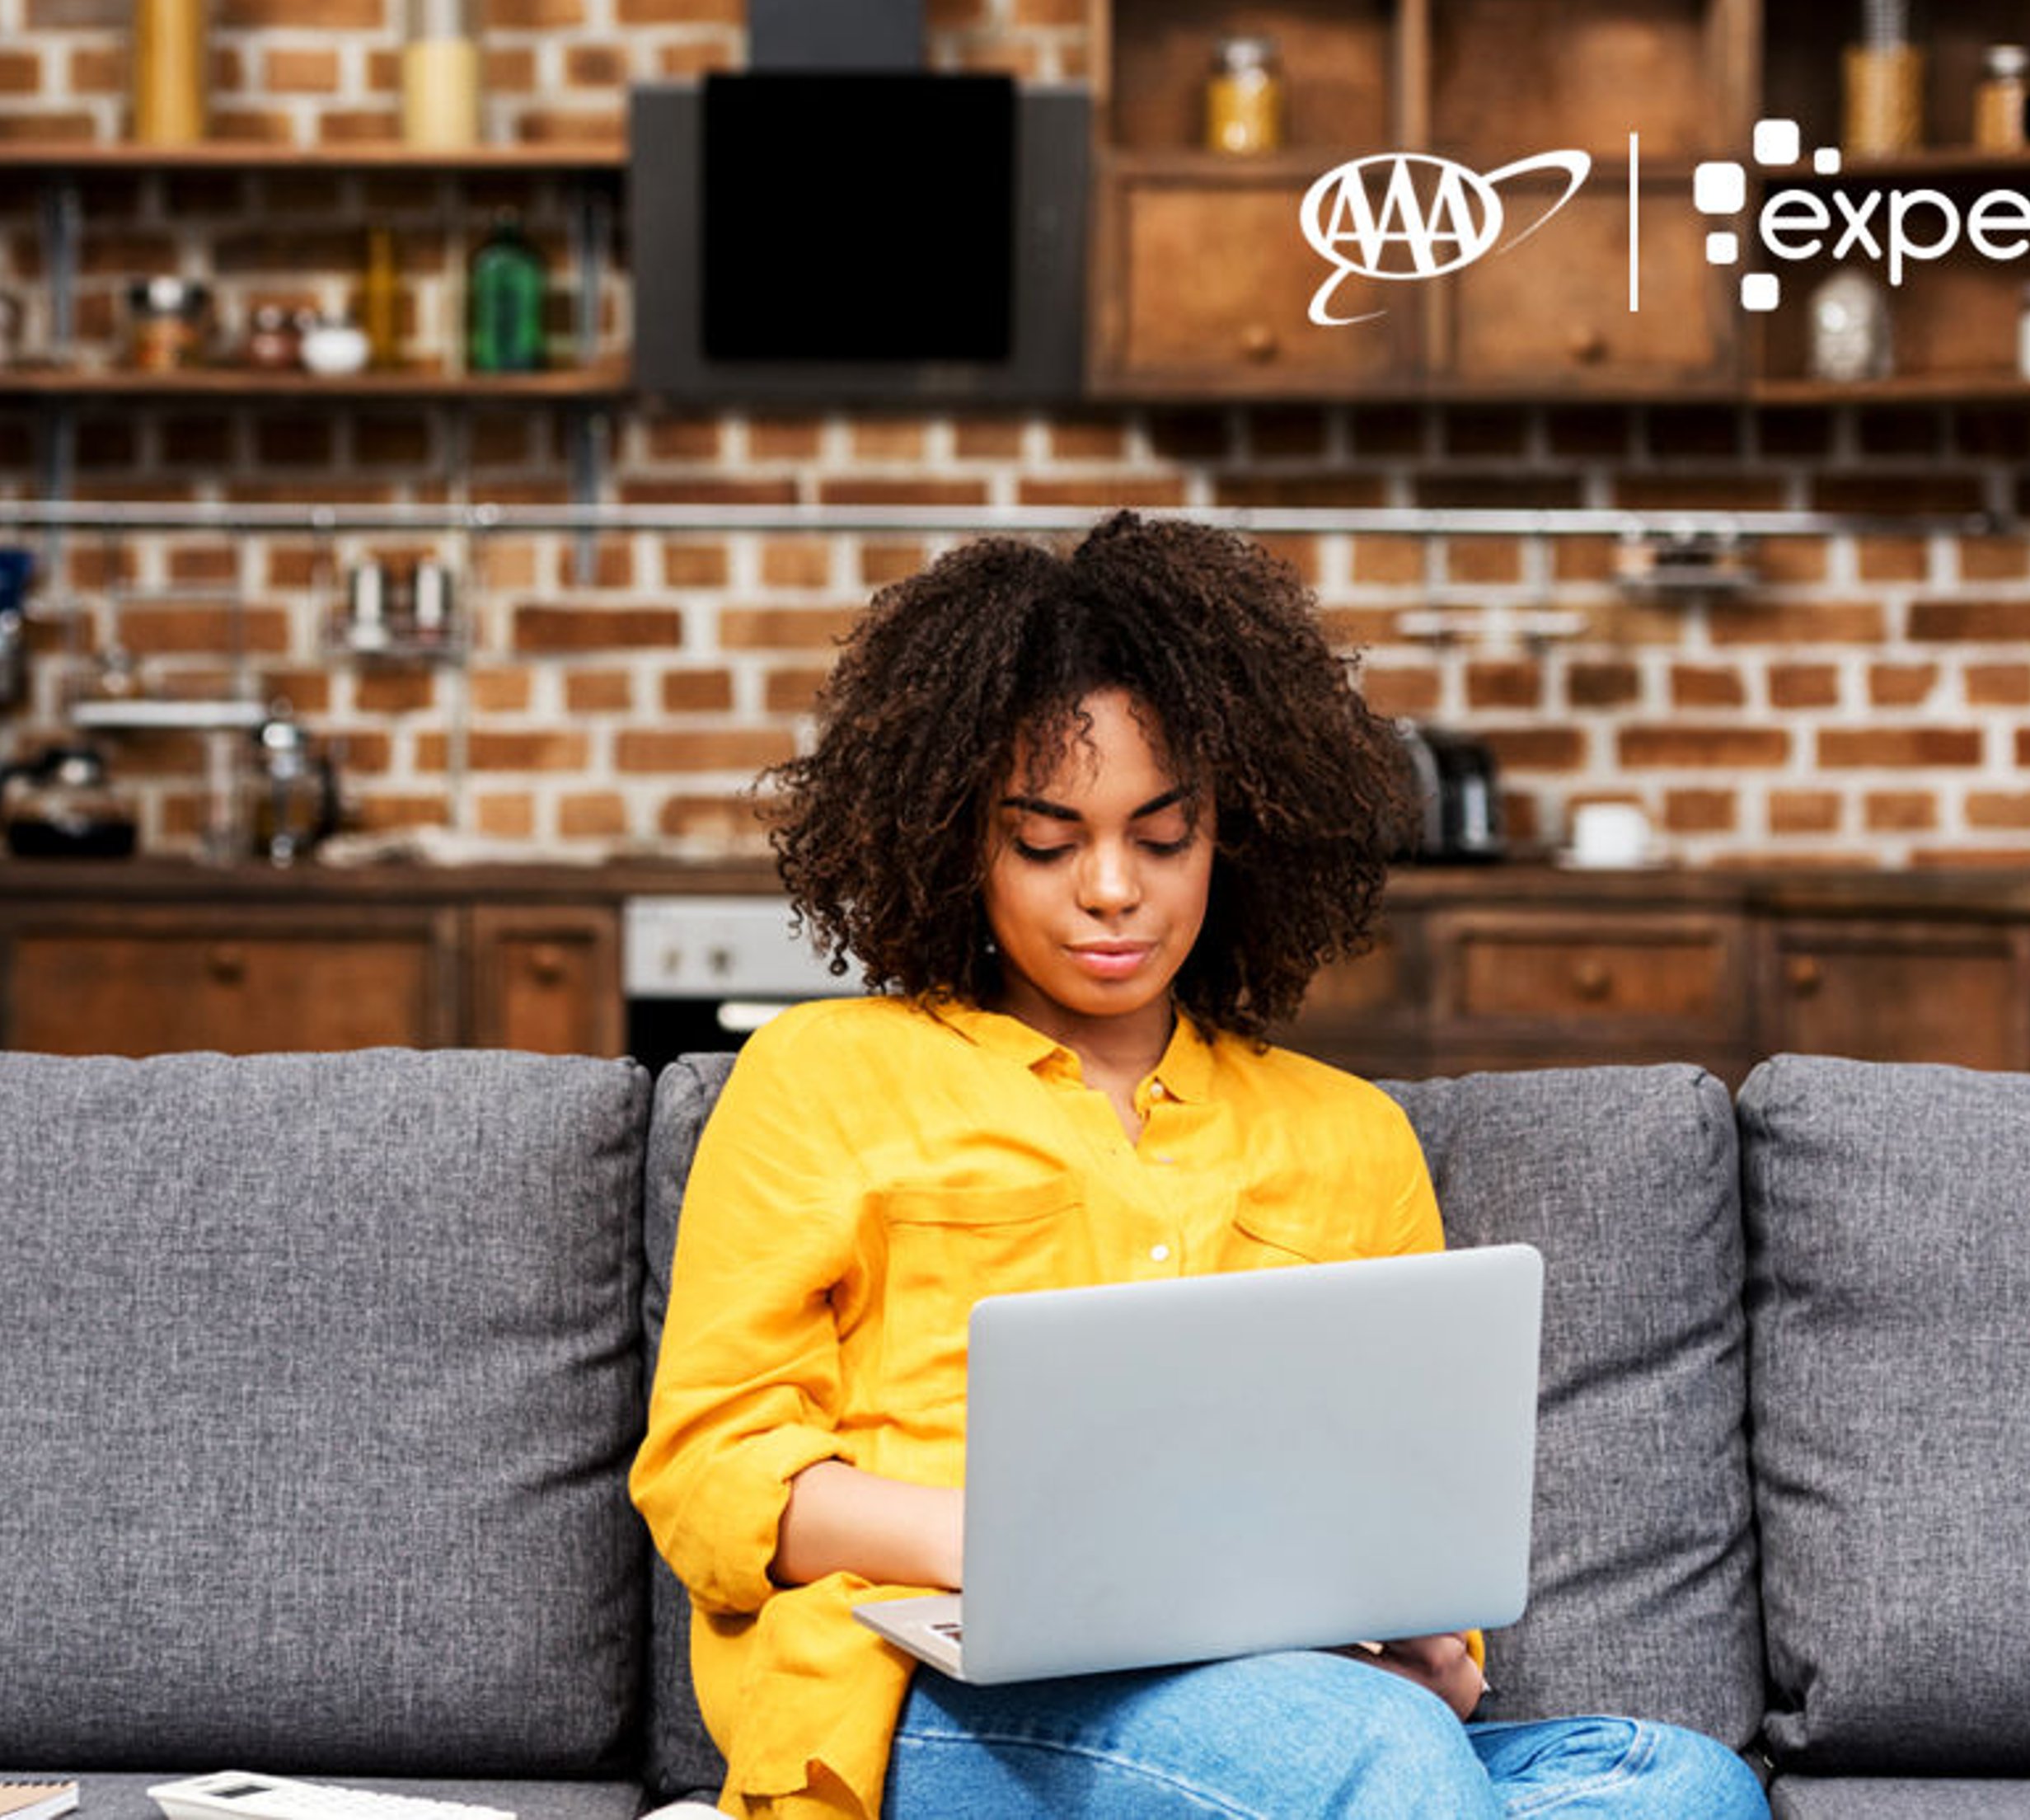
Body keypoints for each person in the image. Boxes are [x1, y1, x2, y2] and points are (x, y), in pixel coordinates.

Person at [631, 512, 1765, 1820]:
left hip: (1287, 1697)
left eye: (1162, 838)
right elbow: (712, 1469)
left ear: (1238, 836)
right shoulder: (825, 1075)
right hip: (929, 1687)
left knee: (1674, 1783)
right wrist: (1022, 1549)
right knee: (1369, 1760)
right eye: (1046, 842)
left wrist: (1431, 1644)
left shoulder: (1346, 1135)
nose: (1111, 889)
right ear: (957, 842)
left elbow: (1407, 1501)